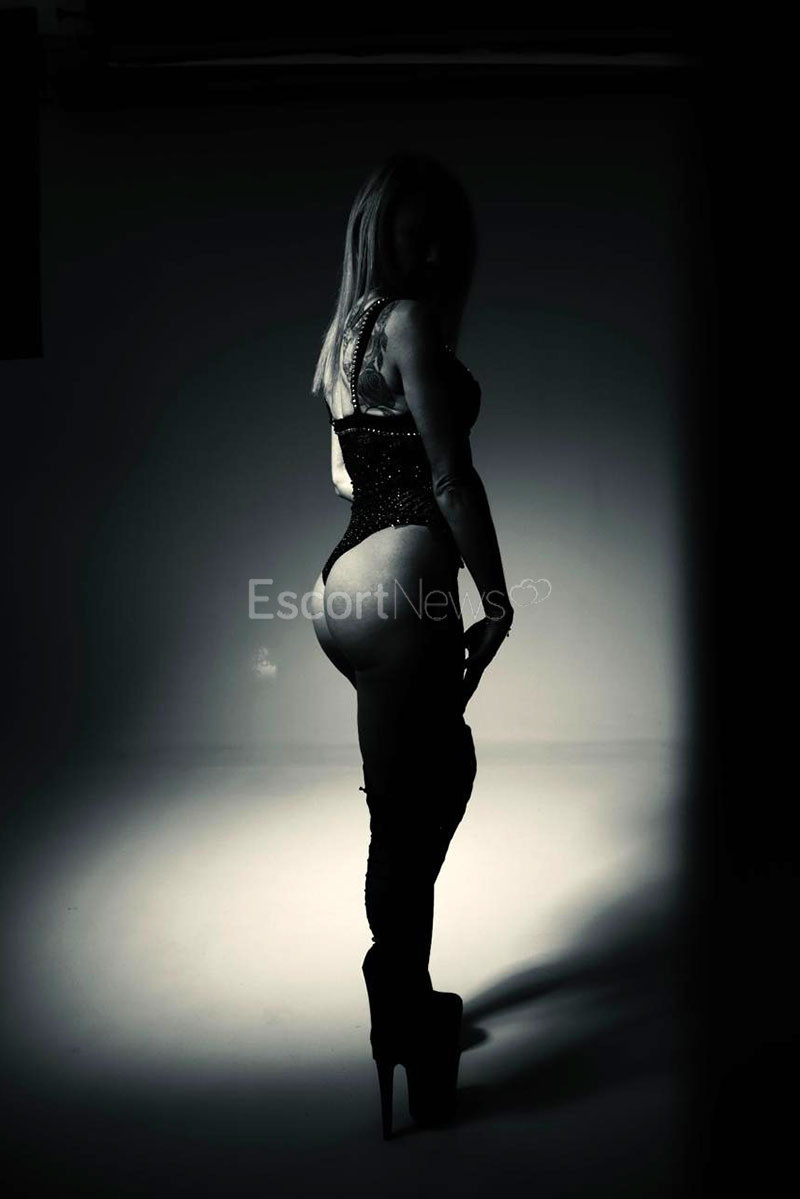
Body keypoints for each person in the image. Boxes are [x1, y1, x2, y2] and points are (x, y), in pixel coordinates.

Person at [308, 151, 514, 1138]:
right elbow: (451, 478)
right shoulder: (410, 323)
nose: (432, 253)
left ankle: (405, 994)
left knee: (428, 781)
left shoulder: (343, 332)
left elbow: (346, 479)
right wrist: (497, 596)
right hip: (400, 587)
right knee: (407, 813)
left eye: (445, 238)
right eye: (413, 232)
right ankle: (400, 1005)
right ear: (378, 229)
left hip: (344, 585)